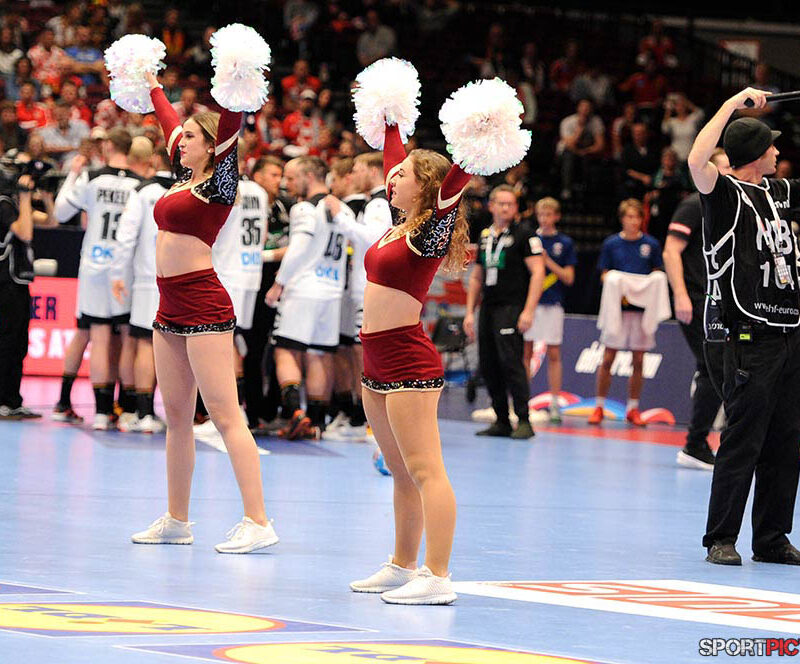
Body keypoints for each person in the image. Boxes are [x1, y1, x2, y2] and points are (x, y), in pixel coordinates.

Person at [129, 69, 278, 554]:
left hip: (204, 303)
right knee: (176, 417)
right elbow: (168, 121)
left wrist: (235, 83)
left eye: (192, 137)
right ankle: (177, 519)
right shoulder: (183, 179)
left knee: (225, 415)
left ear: (213, 146)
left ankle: (258, 521)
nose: (181, 141)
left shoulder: (220, 184)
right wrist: (152, 84)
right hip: (168, 303)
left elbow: (231, 125)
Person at [345, 109, 473, 606]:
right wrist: (391, 121)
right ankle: (401, 565)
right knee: (398, 470)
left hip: (408, 361)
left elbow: (456, 179)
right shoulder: (398, 226)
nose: (391, 178)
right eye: (393, 174)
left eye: (402, 176)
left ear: (425, 188)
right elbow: (393, 158)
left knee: (425, 471)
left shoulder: (430, 230)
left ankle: (437, 574)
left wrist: (475, 143)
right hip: (374, 359)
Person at [688, 88, 800, 567]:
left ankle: (772, 537)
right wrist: (732, 104)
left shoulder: (779, 192)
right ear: (754, 153)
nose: (777, 150)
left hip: (789, 334)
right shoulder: (724, 195)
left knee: (786, 442)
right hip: (747, 336)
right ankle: (721, 537)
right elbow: (696, 159)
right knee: (742, 440)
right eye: (770, 144)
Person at [53, 128, 142, 431]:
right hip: (125, 268)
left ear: (108, 146)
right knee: (127, 338)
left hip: (94, 265)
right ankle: (128, 409)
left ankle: (102, 413)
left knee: (98, 336)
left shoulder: (92, 178)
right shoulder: (139, 185)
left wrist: (72, 175)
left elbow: (61, 212)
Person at [265, 156, 355, 439]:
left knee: (285, 349)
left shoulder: (304, 208)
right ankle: (316, 422)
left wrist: (279, 283)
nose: (287, 184)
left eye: (292, 178)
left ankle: (295, 413)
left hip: (303, 289)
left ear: (310, 176)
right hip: (332, 290)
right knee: (320, 354)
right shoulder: (344, 209)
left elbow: (299, 247)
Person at [193, 141, 269, 440]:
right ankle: (234, 411)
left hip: (226, 272)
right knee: (234, 341)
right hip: (250, 273)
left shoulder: (223, 188)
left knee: (224, 344)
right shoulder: (259, 192)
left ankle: (230, 413)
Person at [662, 148, 730, 471]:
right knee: (713, 365)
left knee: (716, 367)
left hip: (718, 300)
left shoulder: (726, 205)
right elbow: (671, 251)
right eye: (725, 166)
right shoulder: (693, 205)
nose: (729, 171)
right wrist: (680, 295)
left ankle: (699, 442)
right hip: (695, 297)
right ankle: (695, 444)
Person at [464, 185, 544, 439]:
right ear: (491, 206)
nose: (506, 208)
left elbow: (538, 272)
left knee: (511, 362)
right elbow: (476, 277)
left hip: (512, 306)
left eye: (510, 204)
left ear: (516, 208)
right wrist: (469, 312)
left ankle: (524, 420)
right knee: (489, 363)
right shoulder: (486, 235)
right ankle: (501, 420)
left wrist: (528, 311)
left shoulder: (525, 234)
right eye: (501, 203)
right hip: (488, 306)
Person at [111, 143, 171, 434]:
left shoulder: (144, 191)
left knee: (144, 342)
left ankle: (140, 411)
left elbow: (125, 236)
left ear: (156, 159)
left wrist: (118, 274)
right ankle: (158, 411)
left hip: (148, 278)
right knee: (169, 347)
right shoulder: (192, 191)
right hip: (180, 280)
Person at [588, 199, 665, 427]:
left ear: (642, 219)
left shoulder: (651, 244)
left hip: (641, 312)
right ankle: (599, 406)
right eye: (629, 217)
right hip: (617, 311)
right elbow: (605, 275)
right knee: (608, 358)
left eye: (636, 217)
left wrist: (639, 291)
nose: (633, 221)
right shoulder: (612, 244)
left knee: (638, 360)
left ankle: (633, 408)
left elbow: (657, 274)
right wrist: (621, 287)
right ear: (622, 219)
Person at [522, 197, 576, 424]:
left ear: (556, 216)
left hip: (553, 304)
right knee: (526, 353)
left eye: (548, 215)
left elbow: (569, 278)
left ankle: (554, 404)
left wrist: (547, 261)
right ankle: (522, 402)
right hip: (530, 304)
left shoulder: (564, 243)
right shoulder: (529, 239)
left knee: (554, 354)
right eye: (541, 215)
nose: (544, 219)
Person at [244, 156, 288, 431]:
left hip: (279, 281)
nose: (279, 181)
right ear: (257, 175)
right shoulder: (245, 200)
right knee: (251, 346)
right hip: (252, 281)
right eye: (273, 174)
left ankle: (270, 410)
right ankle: (250, 409)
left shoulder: (284, 206)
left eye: (280, 175)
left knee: (275, 347)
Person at [0, 173, 47, 420]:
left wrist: (47, 198)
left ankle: (13, 400)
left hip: (19, 281)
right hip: (6, 282)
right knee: (8, 342)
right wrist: (26, 198)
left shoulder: (16, 204)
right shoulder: (4, 204)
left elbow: (51, 221)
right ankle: (4, 400)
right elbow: (25, 232)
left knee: (19, 342)